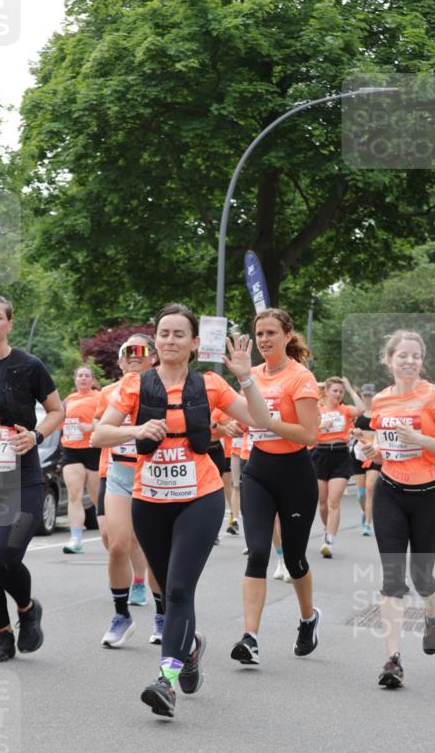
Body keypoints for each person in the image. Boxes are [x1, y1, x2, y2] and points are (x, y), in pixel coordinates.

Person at [94, 304, 273, 718]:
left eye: (179, 334)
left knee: (177, 590)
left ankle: (166, 680)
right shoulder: (136, 386)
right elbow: (100, 433)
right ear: (155, 340)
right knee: (166, 586)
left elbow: (260, 421)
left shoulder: (209, 384)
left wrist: (246, 376)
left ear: (194, 344)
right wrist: (135, 429)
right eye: (164, 333)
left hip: (200, 496)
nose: (170, 340)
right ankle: (189, 648)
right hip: (150, 499)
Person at [0, 295, 63, 662]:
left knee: (5, 555)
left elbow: (56, 411)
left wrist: (35, 436)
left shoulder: (28, 366)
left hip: (23, 482)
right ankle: (3, 635)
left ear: (9, 324)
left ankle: (26, 608)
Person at [355, 330, 435, 689]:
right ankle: (393, 659)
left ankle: (433, 612)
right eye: (403, 356)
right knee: (393, 578)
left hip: (430, 495)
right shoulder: (381, 402)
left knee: (421, 577)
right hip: (390, 493)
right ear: (389, 361)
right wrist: (374, 453)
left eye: (416, 356)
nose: (410, 361)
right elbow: (385, 448)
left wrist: (419, 439)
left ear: (422, 361)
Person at [230, 308, 321, 667]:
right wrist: (232, 424)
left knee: (295, 559)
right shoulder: (250, 375)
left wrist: (269, 422)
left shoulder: (301, 379)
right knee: (257, 553)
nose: (265, 339)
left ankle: (308, 618)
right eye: (260, 333)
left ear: (287, 336)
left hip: (295, 474)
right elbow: (245, 415)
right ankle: (250, 637)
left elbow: (310, 435)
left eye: (271, 333)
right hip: (258, 471)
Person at [99, 335, 162, 646]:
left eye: (142, 350)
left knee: (156, 551)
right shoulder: (109, 394)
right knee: (117, 545)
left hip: (155, 475)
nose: (135, 355)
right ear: (121, 360)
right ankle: (121, 615)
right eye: (128, 351)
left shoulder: (162, 388)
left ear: (153, 358)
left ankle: (162, 617)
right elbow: (99, 433)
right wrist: (130, 431)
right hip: (120, 473)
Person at [313, 376, 364, 557]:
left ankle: (330, 540)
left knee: (334, 501)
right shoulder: (317, 409)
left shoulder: (345, 410)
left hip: (340, 455)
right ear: (327, 391)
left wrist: (350, 389)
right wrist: (320, 425)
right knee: (322, 503)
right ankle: (328, 528)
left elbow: (362, 409)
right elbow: (306, 427)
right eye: (335, 390)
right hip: (319, 454)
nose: (338, 394)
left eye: (341, 392)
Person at [61, 365, 101, 554]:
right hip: (71, 449)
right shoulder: (68, 400)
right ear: (75, 379)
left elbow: (107, 421)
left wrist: (91, 427)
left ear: (92, 380)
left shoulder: (100, 397)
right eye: (80, 375)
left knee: (96, 497)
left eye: (87, 376)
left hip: (93, 448)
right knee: (74, 495)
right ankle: (75, 539)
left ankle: (111, 532)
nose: (83, 378)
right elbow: (60, 422)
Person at [349, 383, 381, 536]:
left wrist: (363, 435)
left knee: (370, 488)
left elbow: (380, 436)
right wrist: (355, 432)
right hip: (358, 455)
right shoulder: (358, 412)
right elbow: (350, 432)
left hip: (374, 454)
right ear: (362, 396)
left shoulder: (380, 413)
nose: (368, 398)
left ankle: (368, 523)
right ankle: (364, 512)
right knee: (361, 493)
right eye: (365, 395)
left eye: (370, 395)